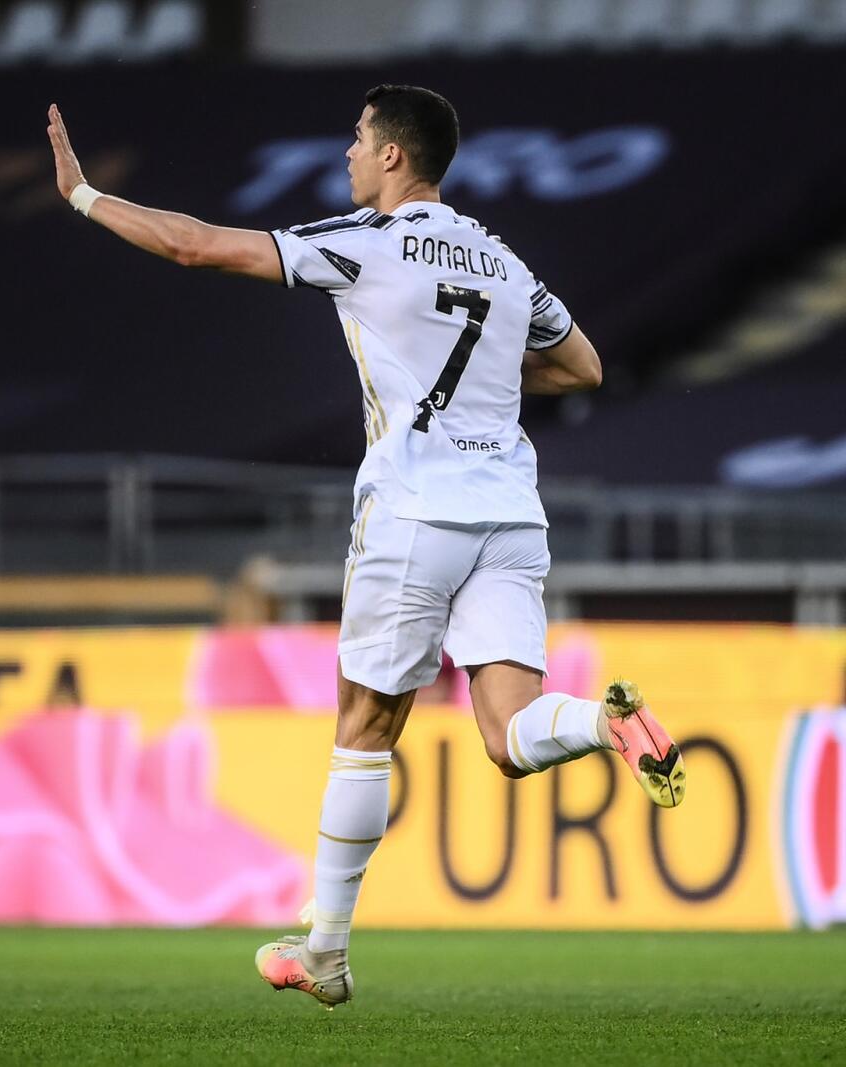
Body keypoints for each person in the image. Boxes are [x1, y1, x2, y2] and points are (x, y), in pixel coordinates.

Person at [44, 87, 686, 1007]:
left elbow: (196, 244)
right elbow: (582, 364)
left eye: (356, 139)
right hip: (509, 514)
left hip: (416, 510)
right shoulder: (504, 262)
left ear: (393, 156)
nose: (348, 153)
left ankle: (328, 951)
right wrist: (489, 386)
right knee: (509, 734)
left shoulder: (368, 242)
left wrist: (86, 198)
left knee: (364, 730)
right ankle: (606, 722)